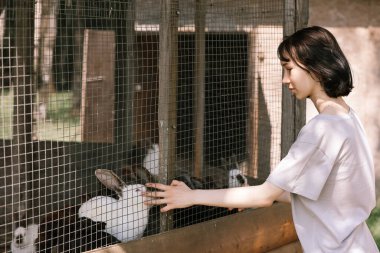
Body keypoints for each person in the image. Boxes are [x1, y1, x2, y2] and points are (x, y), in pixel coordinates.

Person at [143, 26, 378, 252]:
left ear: (314, 69)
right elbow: (325, 198)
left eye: (289, 69)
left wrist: (190, 196)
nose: (285, 80)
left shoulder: (322, 129)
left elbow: (264, 196)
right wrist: (246, 193)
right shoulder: (347, 118)